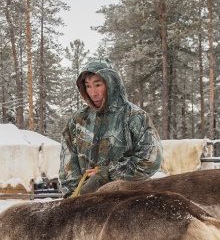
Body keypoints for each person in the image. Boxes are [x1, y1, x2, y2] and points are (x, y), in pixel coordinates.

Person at [58, 60, 163, 196]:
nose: (93, 93)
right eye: (88, 86)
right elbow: (68, 166)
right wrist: (73, 198)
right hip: (85, 204)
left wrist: (108, 173)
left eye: (98, 85)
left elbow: (151, 160)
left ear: (111, 83)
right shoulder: (78, 120)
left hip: (126, 201)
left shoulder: (134, 116)